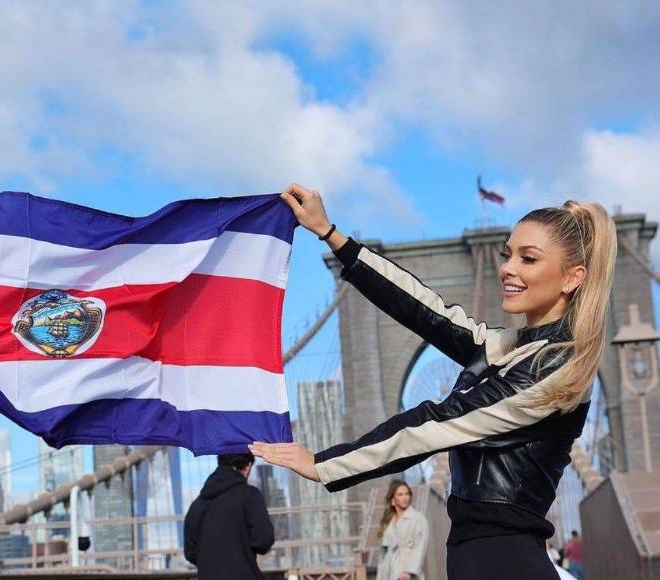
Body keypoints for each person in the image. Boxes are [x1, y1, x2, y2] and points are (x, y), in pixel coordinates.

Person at [251, 183, 617, 580]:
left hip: (504, 562)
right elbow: (426, 311)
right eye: (506, 255)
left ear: (572, 278)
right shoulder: (506, 348)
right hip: (479, 557)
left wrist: (323, 463)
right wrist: (330, 234)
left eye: (528, 259)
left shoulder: (553, 367)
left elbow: (438, 423)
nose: (508, 268)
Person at [184, 453, 274, 580]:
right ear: (248, 466)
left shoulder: (197, 505)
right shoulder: (250, 495)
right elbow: (263, 541)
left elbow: (190, 553)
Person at [377, 480, 430, 580]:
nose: (405, 497)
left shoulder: (418, 518)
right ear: (393, 498)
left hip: (407, 571)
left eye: (407, 494)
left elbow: (421, 546)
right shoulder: (388, 521)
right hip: (389, 571)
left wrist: (409, 571)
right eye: (400, 494)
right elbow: (383, 553)